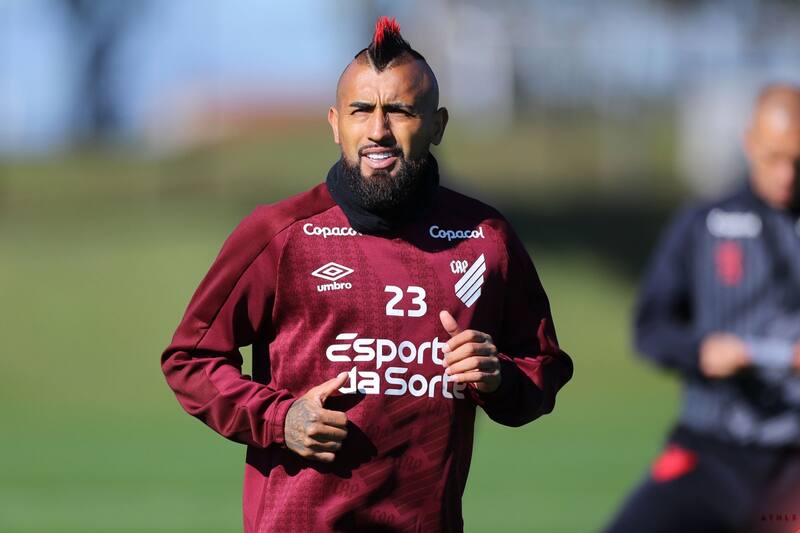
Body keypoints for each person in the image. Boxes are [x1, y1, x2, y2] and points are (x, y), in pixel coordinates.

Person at [161, 16, 573, 533]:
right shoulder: (279, 233)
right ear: (335, 123)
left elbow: (543, 368)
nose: (378, 130)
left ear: (438, 124)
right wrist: (279, 419)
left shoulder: (486, 238)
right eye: (362, 111)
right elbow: (191, 359)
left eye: (400, 111)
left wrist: (499, 377)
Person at [605, 84, 800, 533]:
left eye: (798, 160)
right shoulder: (704, 224)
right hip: (712, 452)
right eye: (774, 157)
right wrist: (701, 351)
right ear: (749, 142)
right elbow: (650, 327)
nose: (787, 174)